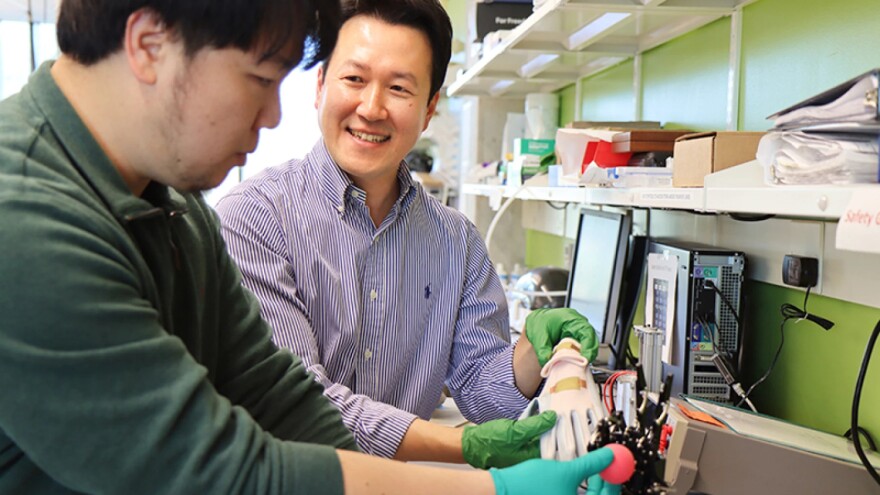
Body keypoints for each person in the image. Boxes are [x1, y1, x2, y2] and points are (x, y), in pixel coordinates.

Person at [0, 0, 620, 494]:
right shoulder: (25, 219)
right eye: (259, 79)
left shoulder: (175, 206)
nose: (272, 116)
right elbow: (219, 469)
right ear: (148, 44)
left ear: (430, 107)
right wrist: (489, 486)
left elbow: (277, 394)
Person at [215, 0, 602, 469]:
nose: (371, 108)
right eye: (354, 79)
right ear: (320, 85)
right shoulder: (254, 218)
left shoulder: (456, 241)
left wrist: (530, 356)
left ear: (429, 109)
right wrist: (463, 447)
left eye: (399, 88)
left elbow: (482, 394)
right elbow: (298, 405)